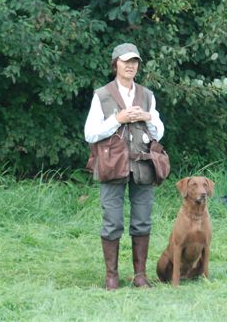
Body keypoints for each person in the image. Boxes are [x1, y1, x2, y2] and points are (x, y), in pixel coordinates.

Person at [84, 43, 165, 290]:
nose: (130, 66)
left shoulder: (147, 95)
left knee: (142, 221)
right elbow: (90, 134)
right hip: (111, 164)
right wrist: (117, 120)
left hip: (142, 165)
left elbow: (159, 133)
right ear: (115, 64)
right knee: (112, 221)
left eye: (135, 62)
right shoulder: (102, 95)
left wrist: (147, 117)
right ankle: (112, 277)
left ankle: (140, 275)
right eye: (125, 61)